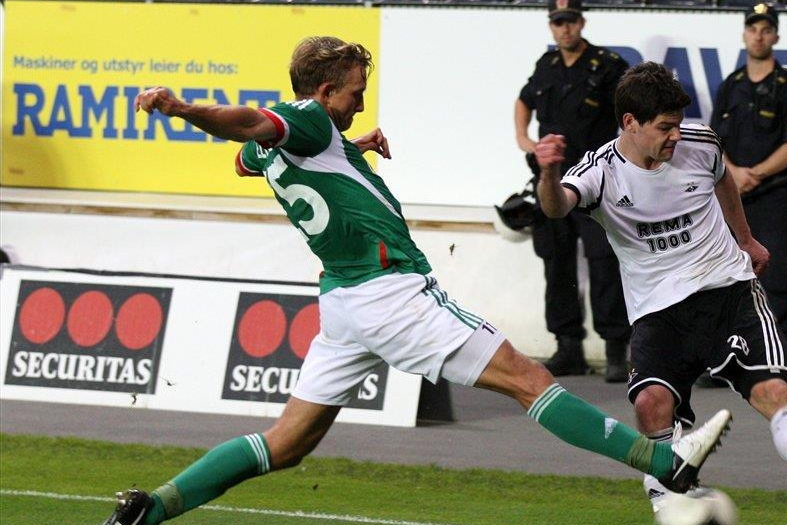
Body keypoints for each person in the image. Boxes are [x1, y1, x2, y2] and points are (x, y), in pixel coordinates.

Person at [103, 36, 733, 525]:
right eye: (352, 93)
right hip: (392, 292)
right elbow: (248, 125)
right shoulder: (310, 122)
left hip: (343, 305)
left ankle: (152, 508)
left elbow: (250, 157)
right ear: (322, 92)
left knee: (286, 443)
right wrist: (184, 107)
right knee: (527, 378)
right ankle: (665, 462)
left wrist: (352, 150)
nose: (357, 104)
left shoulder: (302, 142)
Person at [534, 62, 787, 524]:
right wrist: (548, 173)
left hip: (727, 289)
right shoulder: (602, 171)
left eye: (678, 123)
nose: (676, 135)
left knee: (772, 388)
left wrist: (745, 239)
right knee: (649, 404)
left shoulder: (700, 142)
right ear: (630, 124)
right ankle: (675, 502)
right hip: (659, 310)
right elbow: (557, 206)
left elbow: (723, 179)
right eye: (664, 127)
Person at [513, 0, 632, 383]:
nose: (564, 28)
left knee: (604, 262)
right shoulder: (546, 64)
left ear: (582, 23)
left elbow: (634, 109)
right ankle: (568, 348)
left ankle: (617, 350)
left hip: (595, 177)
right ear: (551, 25)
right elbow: (524, 100)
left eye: (570, 21)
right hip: (551, 177)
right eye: (557, 21)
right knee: (556, 260)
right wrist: (524, 140)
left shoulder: (608, 65)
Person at [709, 3, 787, 385]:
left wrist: (754, 174)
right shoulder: (731, 85)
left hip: (774, 197)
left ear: (776, 36)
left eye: (766, 29)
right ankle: (724, 360)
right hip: (732, 198)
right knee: (724, 279)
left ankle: (785, 363)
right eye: (753, 29)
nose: (759, 35)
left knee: (783, 280)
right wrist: (733, 173)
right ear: (744, 34)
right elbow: (714, 140)